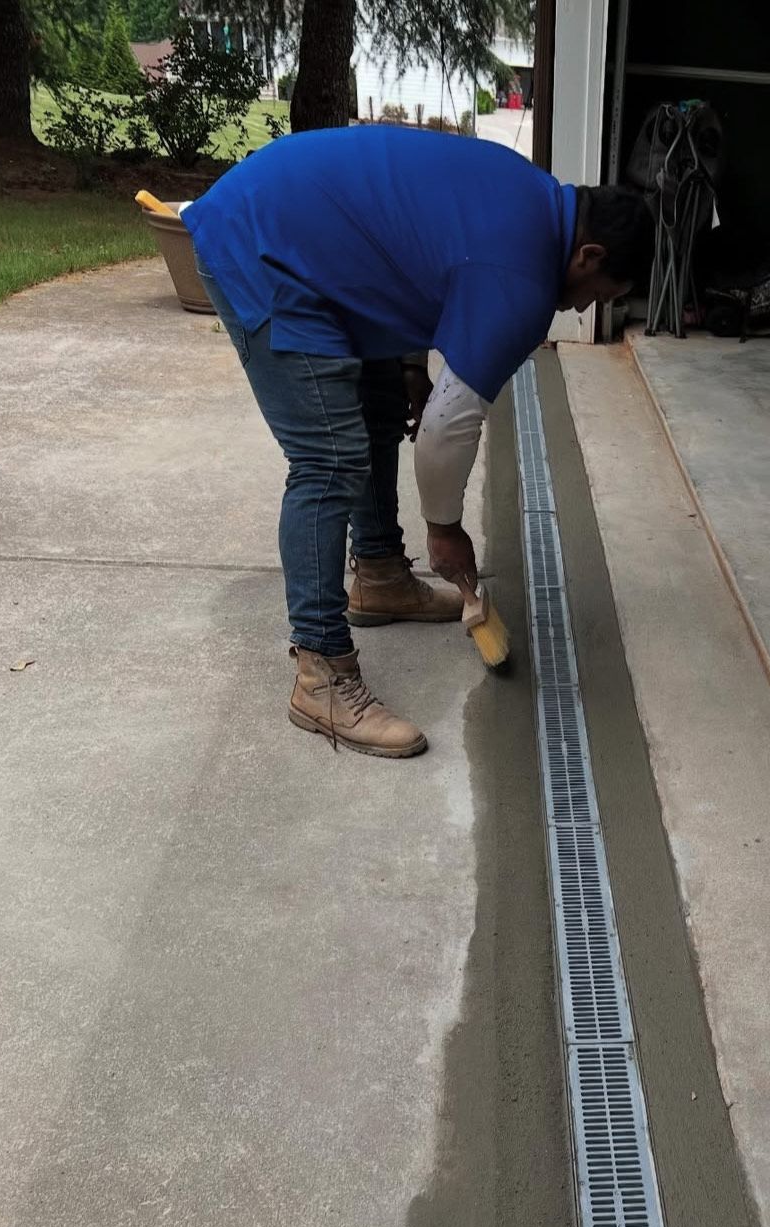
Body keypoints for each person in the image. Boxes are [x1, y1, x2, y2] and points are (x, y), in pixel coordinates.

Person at [183, 125, 651, 758]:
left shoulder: (531, 201)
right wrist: (445, 530)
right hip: (264, 244)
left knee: (378, 405)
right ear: (589, 255)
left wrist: (408, 362)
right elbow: (447, 428)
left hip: (309, 228)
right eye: (598, 295)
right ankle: (321, 675)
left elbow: (410, 245)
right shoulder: (521, 279)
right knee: (328, 459)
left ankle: (379, 576)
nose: (582, 310)